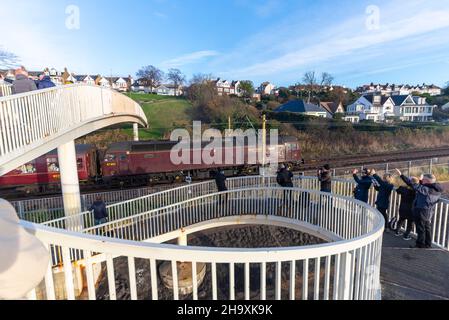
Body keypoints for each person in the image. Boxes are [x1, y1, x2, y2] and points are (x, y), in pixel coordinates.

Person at [396, 169, 443, 249]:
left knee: (420, 229)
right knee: (427, 228)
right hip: (428, 211)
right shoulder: (436, 189)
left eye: (423, 180)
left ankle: (419, 245)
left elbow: (413, 184)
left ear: (427, 181)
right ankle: (428, 244)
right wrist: (420, 180)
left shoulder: (426, 189)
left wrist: (401, 176)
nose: (421, 181)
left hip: (421, 211)